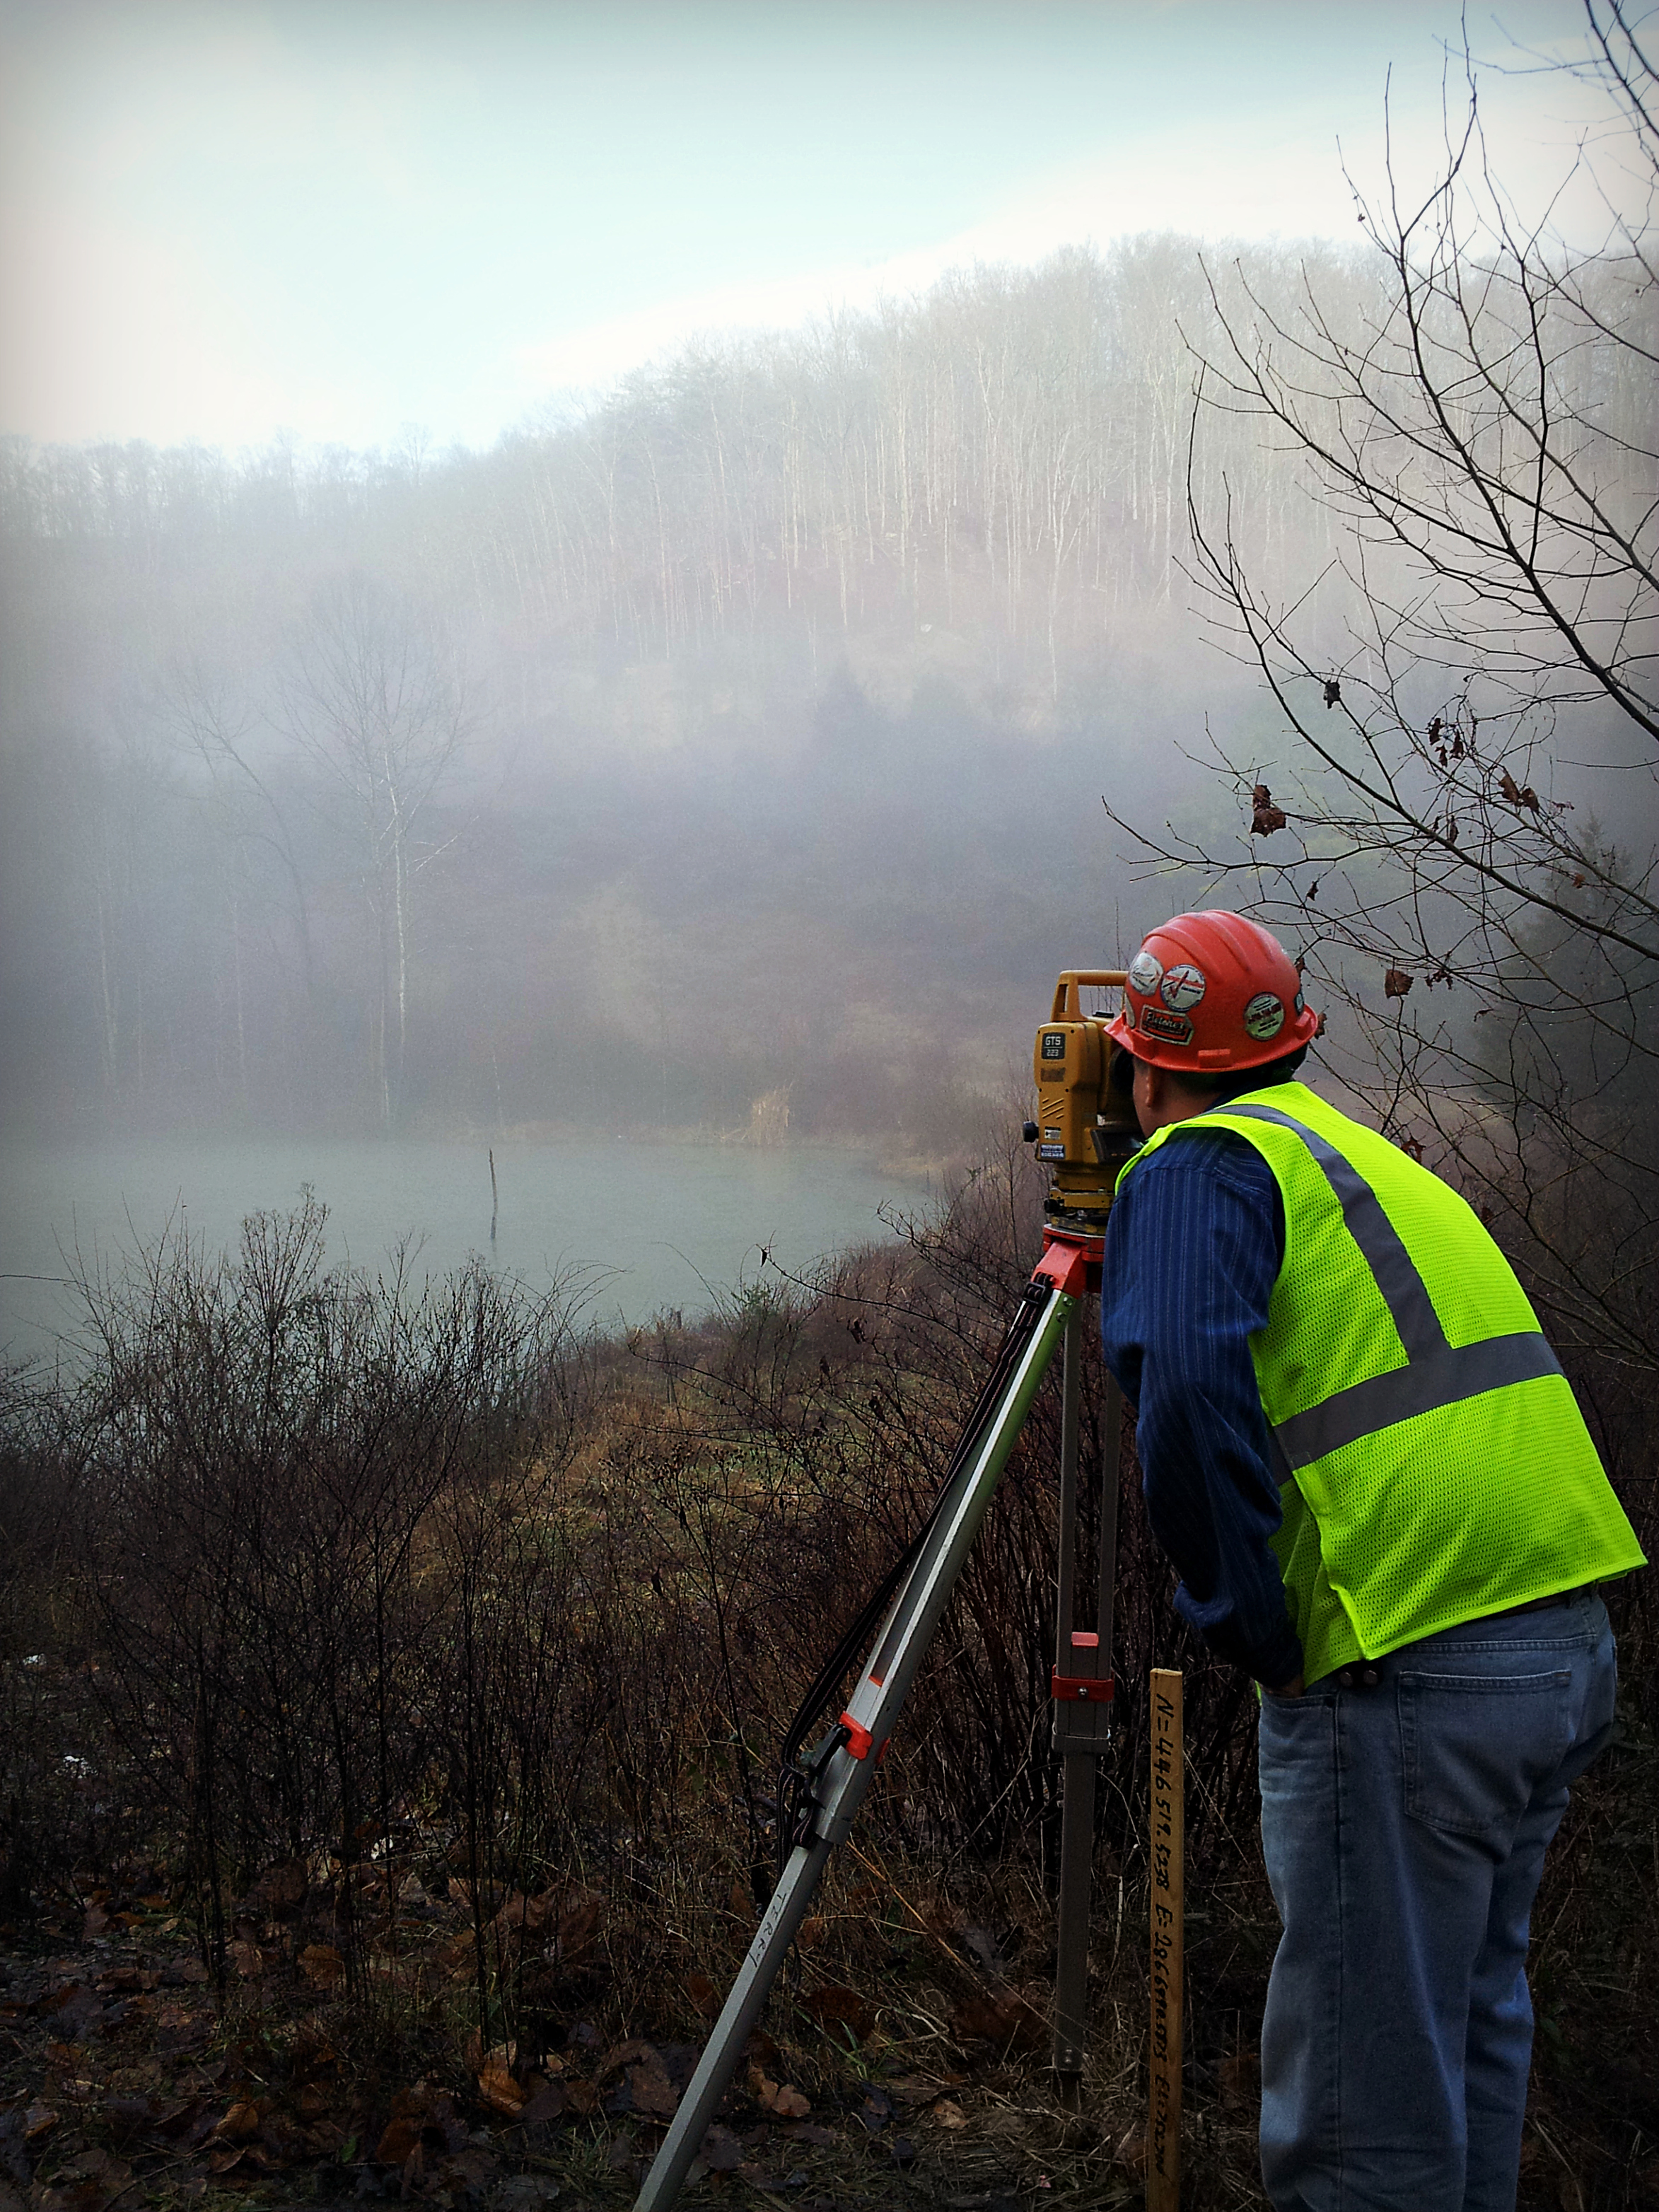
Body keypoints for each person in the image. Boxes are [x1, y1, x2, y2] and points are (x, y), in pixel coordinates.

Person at [1095, 908, 1645, 2212]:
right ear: (1288, 1045)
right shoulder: (1355, 1155)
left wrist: (1249, 1628)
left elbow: (1181, 1397)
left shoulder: (1198, 1164)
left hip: (1409, 1665)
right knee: (1461, 2031)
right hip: (1559, 1640)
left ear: (1143, 1064)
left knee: (1362, 2115)